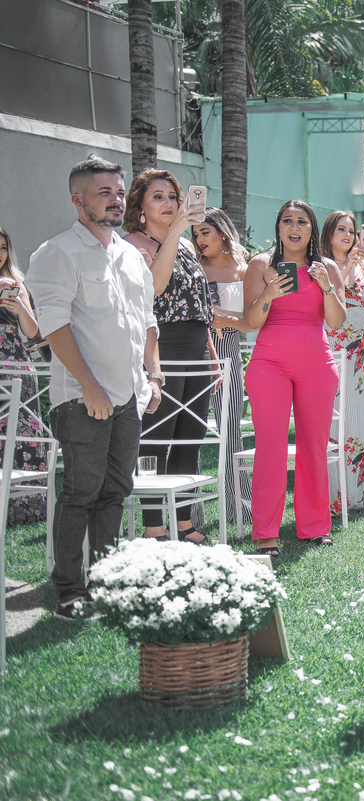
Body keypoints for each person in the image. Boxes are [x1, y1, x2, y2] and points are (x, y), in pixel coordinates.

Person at [25, 156, 161, 618]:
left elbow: (146, 320)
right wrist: (90, 386)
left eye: (119, 192)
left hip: (129, 395)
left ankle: (105, 583)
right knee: (81, 492)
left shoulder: (130, 255)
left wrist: (152, 376)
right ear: (77, 200)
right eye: (105, 192)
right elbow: (53, 325)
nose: (116, 200)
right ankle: (68, 590)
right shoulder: (57, 252)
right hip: (83, 398)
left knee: (115, 491)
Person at [243, 200, 345, 555]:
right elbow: (251, 321)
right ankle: (265, 533)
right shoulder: (260, 265)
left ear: (311, 228)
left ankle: (315, 526)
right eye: (287, 220)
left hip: (317, 363)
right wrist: (269, 293)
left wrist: (326, 286)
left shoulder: (327, 267)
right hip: (269, 363)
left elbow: (336, 322)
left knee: (313, 446)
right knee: (270, 446)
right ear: (279, 228)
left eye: (302, 221)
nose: (294, 227)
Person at [123, 169, 214, 543]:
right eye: (157, 197)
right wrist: (175, 232)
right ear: (140, 207)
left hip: (197, 351)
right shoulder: (132, 246)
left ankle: (184, 523)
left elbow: (200, 303)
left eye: (173, 197)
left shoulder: (190, 246)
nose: (167, 203)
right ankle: (153, 527)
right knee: (156, 440)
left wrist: (209, 353)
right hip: (161, 350)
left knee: (189, 439)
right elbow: (155, 289)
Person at [320, 211, 364, 513]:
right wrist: (346, 265)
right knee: (334, 418)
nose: (348, 235)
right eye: (341, 230)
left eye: (351, 231)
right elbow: (332, 297)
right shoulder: (322, 265)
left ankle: (363, 496)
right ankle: (333, 497)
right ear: (329, 233)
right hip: (334, 339)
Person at [193, 206, 254, 522]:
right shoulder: (192, 266)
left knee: (230, 429)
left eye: (205, 232)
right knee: (189, 431)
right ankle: (191, 515)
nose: (200, 240)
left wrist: (222, 318)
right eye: (196, 234)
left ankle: (239, 510)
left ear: (222, 232)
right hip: (193, 348)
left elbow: (252, 319)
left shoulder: (245, 269)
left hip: (228, 347)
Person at [0, 226, 50, 524]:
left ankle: (25, 508)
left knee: (22, 434)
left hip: (16, 364)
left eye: (3, 247)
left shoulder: (17, 284)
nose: (0, 254)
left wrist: (20, 307)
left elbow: (33, 333)